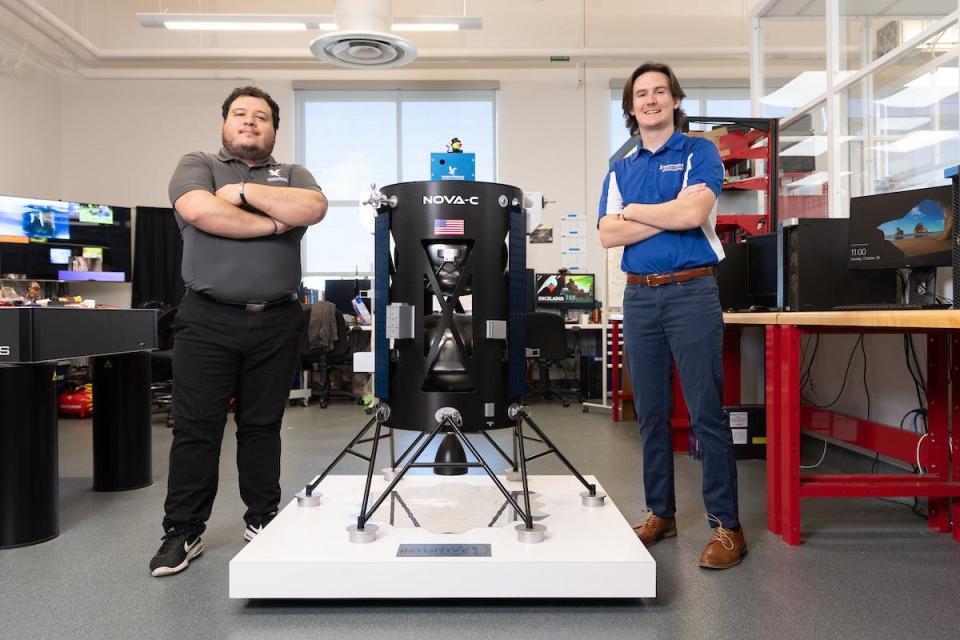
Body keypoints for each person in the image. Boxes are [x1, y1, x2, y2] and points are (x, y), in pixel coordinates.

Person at [149, 86, 328, 577]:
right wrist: (274, 224)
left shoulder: (293, 174)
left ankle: (263, 518)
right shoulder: (199, 163)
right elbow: (201, 211)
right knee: (195, 428)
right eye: (241, 114)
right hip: (208, 318)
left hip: (277, 318)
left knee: (262, 427)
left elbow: (312, 208)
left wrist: (245, 195)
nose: (251, 122)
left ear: (274, 129)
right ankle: (182, 531)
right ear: (225, 122)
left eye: (262, 117)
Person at [597, 62, 745, 569]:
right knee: (651, 414)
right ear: (631, 106)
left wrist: (633, 211)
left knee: (706, 414)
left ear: (675, 100)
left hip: (691, 293)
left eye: (660, 91)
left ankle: (727, 527)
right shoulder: (621, 164)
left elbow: (692, 215)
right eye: (642, 94)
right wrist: (657, 212)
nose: (651, 100)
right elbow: (605, 234)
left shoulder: (699, 152)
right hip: (639, 298)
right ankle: (661, 513)